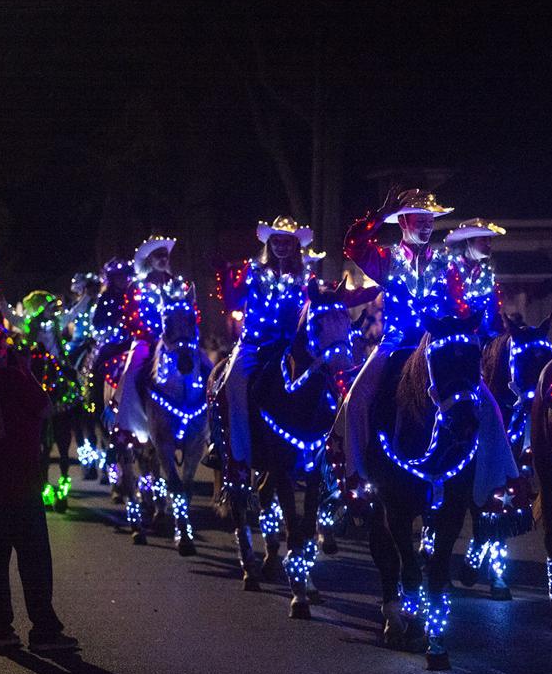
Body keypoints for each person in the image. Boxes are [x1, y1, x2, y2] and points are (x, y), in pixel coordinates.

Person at [335, 190, 517, 498]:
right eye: (420, 220)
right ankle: (354, 475)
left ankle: (504, 482)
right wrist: (378, 217)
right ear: (404, 223)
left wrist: (467, 321)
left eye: (430, 221)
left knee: (487, 403)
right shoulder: (386, 258)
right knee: (355, 399)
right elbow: (353, 246)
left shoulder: (446, 264)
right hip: (396, 343)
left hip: (436, 343)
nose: (426, 226)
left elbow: (458, 304)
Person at [217, 216, 377, 479]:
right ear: (269, 244)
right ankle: (239, 459)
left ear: (295, 246)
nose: (281, 246)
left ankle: (332, 455)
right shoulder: (253, 271)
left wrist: (358, 296)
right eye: (276, 241)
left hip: (292, 344)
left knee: (330, 383)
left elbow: (323, 303)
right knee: (235, 381)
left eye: (287, 241)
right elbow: (234, 300)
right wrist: (224, 275)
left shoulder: (306, 276)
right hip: (256, 344)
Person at [0, 317, 78, 653]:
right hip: (20, 485)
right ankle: (44, 630)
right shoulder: (15, 379)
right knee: (34, 559)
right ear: (2, 349)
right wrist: (26, 370)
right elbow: (45, 407)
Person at [114, 236, 187, 442]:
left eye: (165, 254)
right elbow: (130, 318)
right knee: (131, 372)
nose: (163, 258)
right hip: (147, 342)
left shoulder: (177, 285)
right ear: (149, 259)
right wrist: (152, 334)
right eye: (158, 255)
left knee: (206, 367)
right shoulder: (136, 287)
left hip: (176, 342)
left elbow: (192, 312)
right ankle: (127, 427)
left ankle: (208, 429)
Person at [443, 217, 506, 342]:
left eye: (489, 239)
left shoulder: (487, 273)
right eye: (483, 239)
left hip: (484, 333)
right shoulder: (450, 268)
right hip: (454, 332)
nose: (489, 243)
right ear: (468, 242)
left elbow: (493, 306)